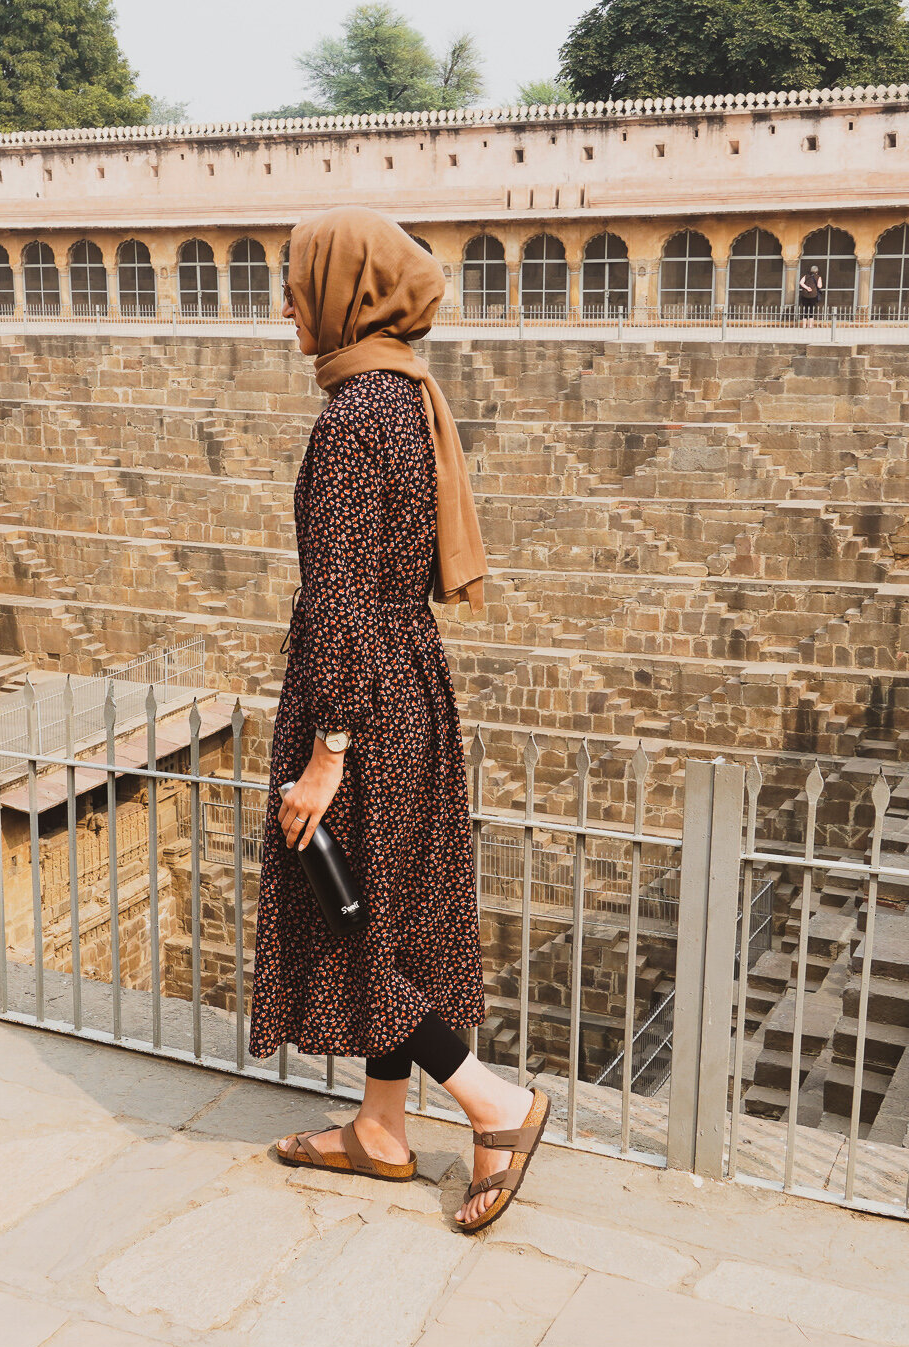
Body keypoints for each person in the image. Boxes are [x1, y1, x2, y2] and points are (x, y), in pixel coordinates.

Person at [260, 206, 548, 1234]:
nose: (285, 303)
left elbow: (336, 596)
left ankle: (493, 1106)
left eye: (298, 284)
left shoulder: (347, 421)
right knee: (381, 911)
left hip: (360, 700)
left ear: (348, 293)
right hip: (408, 679)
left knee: (345, 926)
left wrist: (324, 754)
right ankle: (380, 1130)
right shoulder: (402, 399)